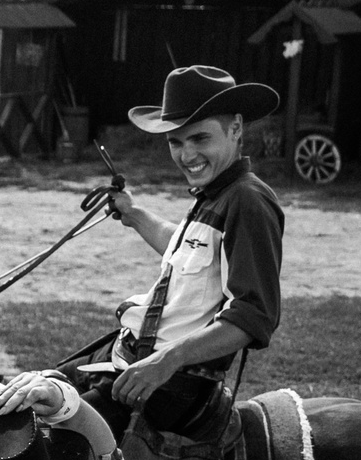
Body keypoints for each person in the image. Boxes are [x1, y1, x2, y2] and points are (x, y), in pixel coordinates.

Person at [96, 64, 286, 438]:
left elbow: (254, 314)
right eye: (176, 142)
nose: (187, 155)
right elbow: (184, 249)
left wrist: (166, 361)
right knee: (35, 389)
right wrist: (133, 215)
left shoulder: (247, 201)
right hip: (136, 359)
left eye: (200, 138)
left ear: (236, 128)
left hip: (171, 385)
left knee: (46, 429)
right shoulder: (215, 193)